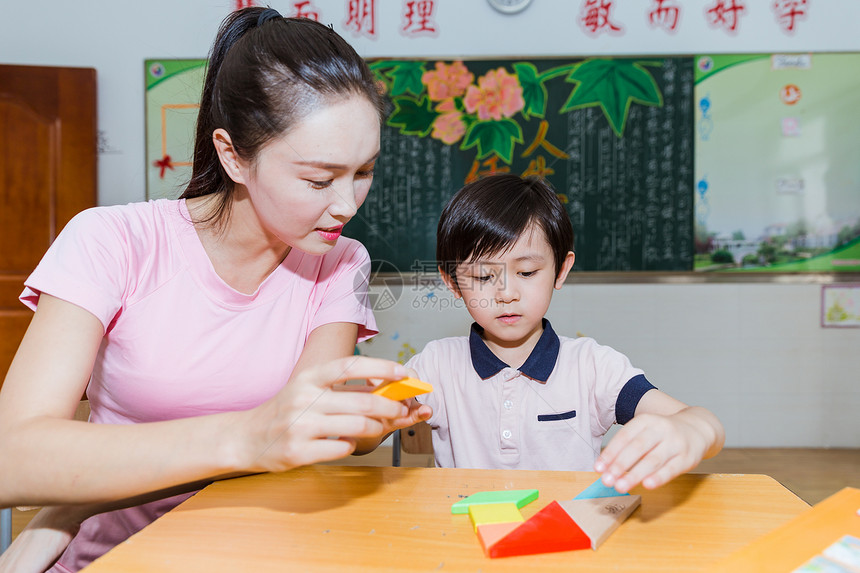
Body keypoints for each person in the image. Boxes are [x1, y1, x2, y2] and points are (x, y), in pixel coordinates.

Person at [0, 7, 427, 572]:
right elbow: (11, 458)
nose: (347, 204)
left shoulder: (340, 260)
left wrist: (358, 425)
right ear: (232, 155)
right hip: (116, 559)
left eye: (364, 171)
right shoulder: (113, 241)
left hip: (265, 553)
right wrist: (249, 436)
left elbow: (294, 436)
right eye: (318, 179)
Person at [403, 174, 724, 492]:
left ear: (561, 269)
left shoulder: (593, 367)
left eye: (526, 272)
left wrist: (691, 430)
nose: (506, 293)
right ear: (451, 282)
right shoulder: (437, 365)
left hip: (568, 536)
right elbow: (367, 432)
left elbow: (703, 423)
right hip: (464, 534)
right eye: (484, 276)